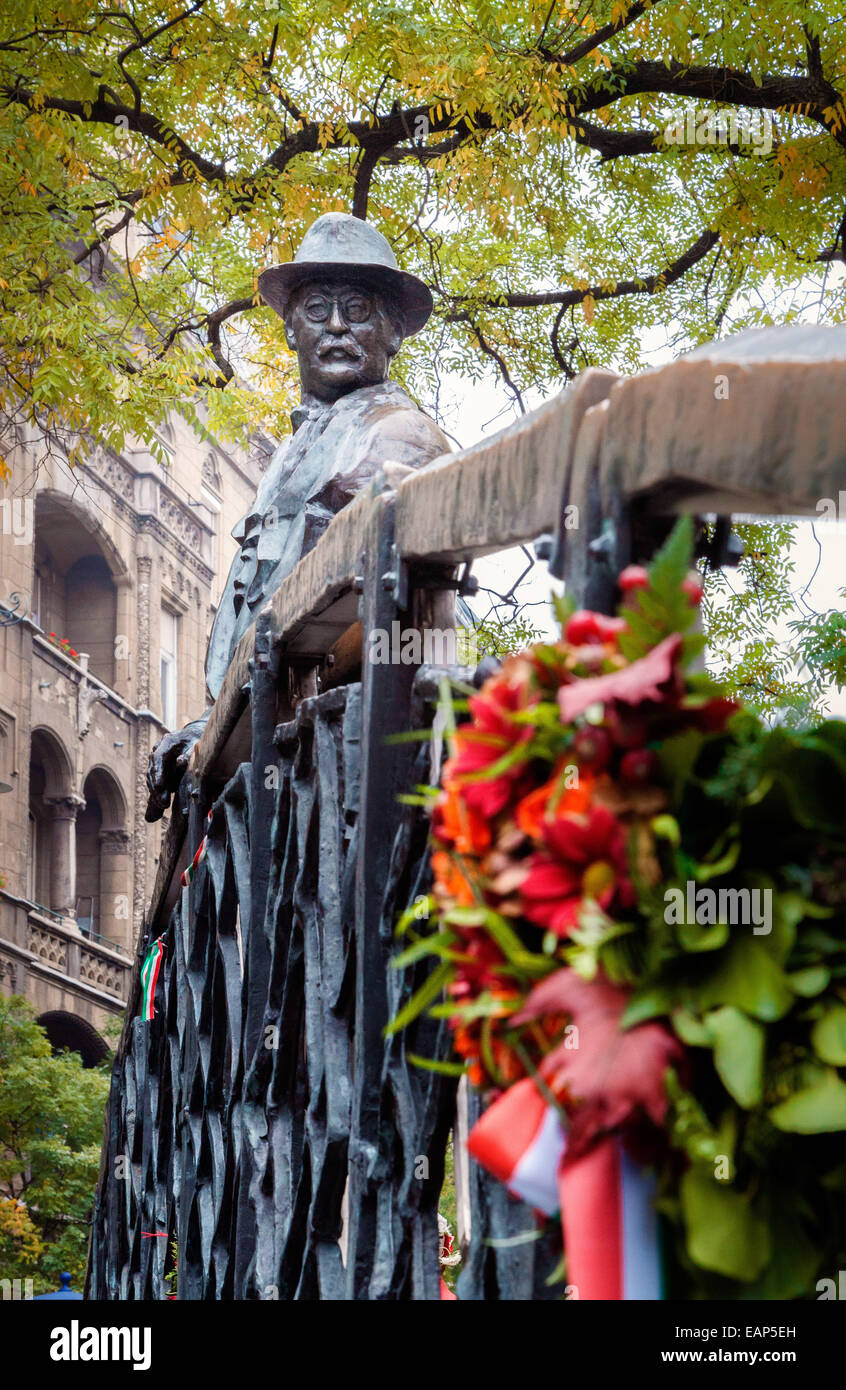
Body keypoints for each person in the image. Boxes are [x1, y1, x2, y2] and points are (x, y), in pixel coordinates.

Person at [145, 212, 451, 821]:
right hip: (287, 762)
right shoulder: (289, 456)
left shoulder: (400, 438)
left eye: (357, 308)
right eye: (317, 308)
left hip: (355, 755)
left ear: (392, 332)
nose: (336, 325)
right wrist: (211, 728)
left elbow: (380, 615)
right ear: (290, 331)